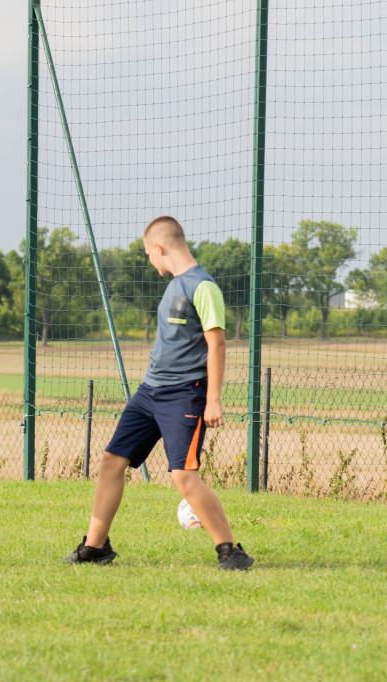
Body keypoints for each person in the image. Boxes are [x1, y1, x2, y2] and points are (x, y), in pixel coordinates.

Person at [65, 216, 254, 570]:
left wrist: (213, 399)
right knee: (112, 461)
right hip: (149, 391)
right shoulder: (174, 286)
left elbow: (218, 345)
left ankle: (231, 551)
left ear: (159, 248)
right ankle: (95, 547)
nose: (149, 261)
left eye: (147, 254)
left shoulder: (203, 286)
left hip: (185, 393)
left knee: (183, 476)